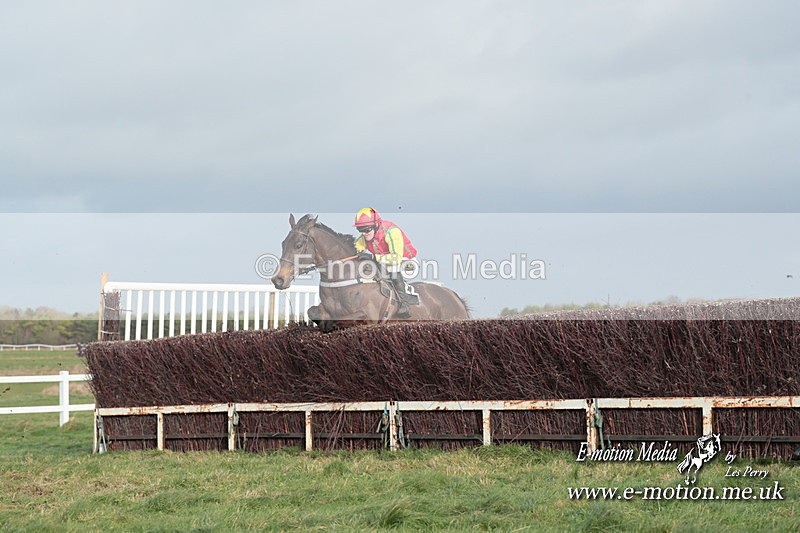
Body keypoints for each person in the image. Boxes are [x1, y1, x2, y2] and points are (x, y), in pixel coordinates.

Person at [353, 207, 418, 318]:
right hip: (384, 260)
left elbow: (396, 258)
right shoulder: (366, 235)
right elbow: (355, 249)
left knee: (392, 269)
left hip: (406, 262)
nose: (364, 233)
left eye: (367, 229)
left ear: (376, 225)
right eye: (360, 230)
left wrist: (373, 257)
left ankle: (404, 304)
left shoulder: (391, 232)